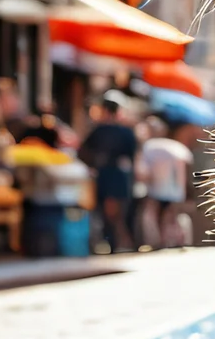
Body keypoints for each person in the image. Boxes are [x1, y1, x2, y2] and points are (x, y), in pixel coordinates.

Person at [79, 91, 138, 253]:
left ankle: (116, 243)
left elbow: (83, 152)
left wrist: (93, 165)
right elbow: (133, 155)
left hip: (104, 175)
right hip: (120, 176)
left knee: (108, 214)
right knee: (119, 213)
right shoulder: (126, 131)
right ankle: (120, 243)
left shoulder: (99, 130)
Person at [136, 115, 194, 249]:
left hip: (157, 190)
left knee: (157, 216)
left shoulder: (148, 147)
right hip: (175, 190)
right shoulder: (176, 146)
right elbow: (187, 164)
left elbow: (143, 173)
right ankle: (178, 240)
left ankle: (161, 241)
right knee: (171, 216)